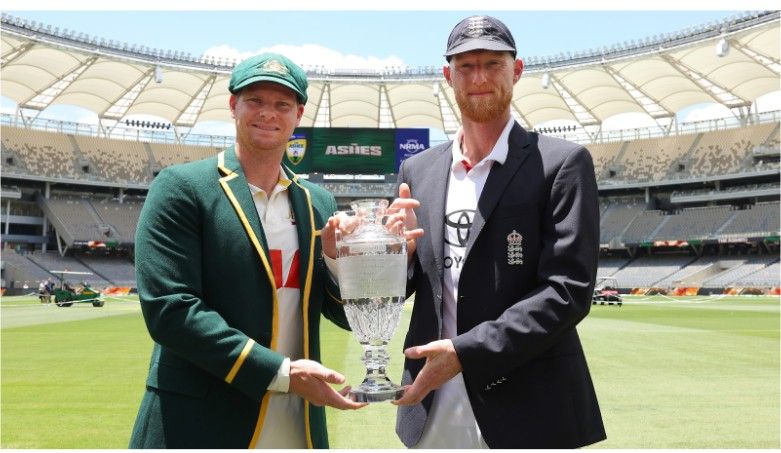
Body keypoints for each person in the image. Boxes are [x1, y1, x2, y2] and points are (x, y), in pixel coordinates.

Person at [129, 52, 367, 449]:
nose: (267, 114)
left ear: (299, 115)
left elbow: (344, 317)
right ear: (233, 105)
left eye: (282, 104)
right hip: (200, 423)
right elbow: (170, 309)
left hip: (297, 425)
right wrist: (282, 373)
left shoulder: (318, 203)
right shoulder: (182, 187)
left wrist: (342, 261)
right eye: (255, 100)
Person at [392, 15, 606, 448]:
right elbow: (412, 283)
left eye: (493, 64)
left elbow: (568, 290)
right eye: (466, 67)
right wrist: (390, 255)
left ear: (517, 70)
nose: (480, 78)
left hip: (531, 407)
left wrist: (465, 353)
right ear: (448, 75)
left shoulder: (562, 163)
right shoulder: (418, 170)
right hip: (432, 406)